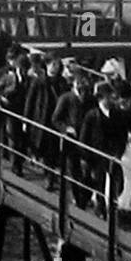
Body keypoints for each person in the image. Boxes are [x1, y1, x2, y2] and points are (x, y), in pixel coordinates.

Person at [80, 83, 131, 218]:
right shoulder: (92, 115)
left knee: (117, 182)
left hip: (113, 153)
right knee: (99, 181)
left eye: (111, 97)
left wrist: (119, 152)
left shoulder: (118, 114)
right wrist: (85, 156)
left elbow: (123, 134)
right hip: (97, 153)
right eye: (107, 97)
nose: (111, 100)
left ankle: (113, 204)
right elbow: (84, 137)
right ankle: (100, 206)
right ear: (101, 99)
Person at [51, 71, 95, 203]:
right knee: (74, 170)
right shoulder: (66, 98)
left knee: (88, 172)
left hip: (87, 140)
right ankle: (77, 197)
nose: (83, 94)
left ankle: (85, 196)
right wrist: (66, 128)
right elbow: (55, 119)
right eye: (81, 90)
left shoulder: (91, 100)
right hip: (72, 140)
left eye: (85, 91)